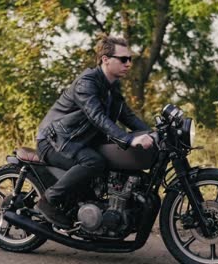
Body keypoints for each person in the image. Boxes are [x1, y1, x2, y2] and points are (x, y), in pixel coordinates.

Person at [35, 35, 154, 228]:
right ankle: (48, 200)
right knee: (94, 162)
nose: (128, 64)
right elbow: (97, 117)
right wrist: (127, 139)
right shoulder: (87, 83)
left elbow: (127, 116)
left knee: (114, 163)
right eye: (123, 59)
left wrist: (152, 134)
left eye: (130, 59)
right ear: (105, 59)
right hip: (55, 140)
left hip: (79, 141)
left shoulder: (111, 86)